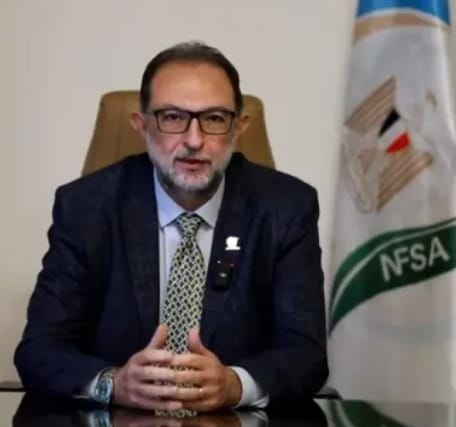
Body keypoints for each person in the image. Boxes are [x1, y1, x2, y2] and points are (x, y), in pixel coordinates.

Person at [14, 41, 328, 413]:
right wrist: (113, 384)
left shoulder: (286, 208)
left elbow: (306, 354)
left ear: (239, 127)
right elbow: (39, 350)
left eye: (214, 119)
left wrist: (235, 385)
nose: (194, 140)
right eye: (173, 117)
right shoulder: (86, 208)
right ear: (142, 124)